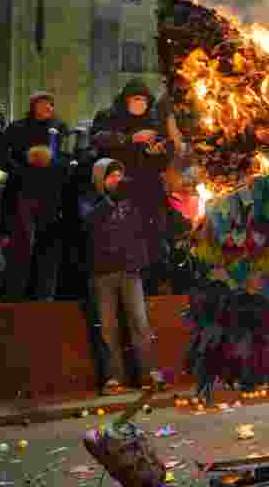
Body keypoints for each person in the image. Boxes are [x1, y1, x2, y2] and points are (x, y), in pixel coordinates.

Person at [81, 158, 164, 395]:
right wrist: (110, 201)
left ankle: (149, 375)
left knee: (140, 321)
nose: (117, 180)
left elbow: (146, 224)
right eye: (111, 176)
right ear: (100, 179)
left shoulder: (132, 199)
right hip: (101, 273)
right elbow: (88, 222)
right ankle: (113, 378)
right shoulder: (89, 199)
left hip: (130, 270)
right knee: (107, 327)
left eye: (120, 175)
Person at [91, 80, 175, 298]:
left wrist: (158, 153)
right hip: (120, 189)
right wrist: (129, 139)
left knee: (154, 239)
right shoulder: (110, 116)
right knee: (124, 241)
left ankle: (154, 288)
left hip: (149, 189)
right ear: (125, 100)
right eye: (135, 99)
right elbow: (98, 139)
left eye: (144, 99)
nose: (140, 103)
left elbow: (166, 154)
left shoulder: (154, 121)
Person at [0, 91, 69, 301]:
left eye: (51, 105)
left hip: (51, 196)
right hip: (21, 194)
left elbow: (68, 158)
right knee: (21, 247)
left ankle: (44, 297)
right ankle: (15, 297)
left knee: (47, 249)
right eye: (43, 104)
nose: (48, 109)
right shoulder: (17, 128)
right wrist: (20, 166)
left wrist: (53, 163)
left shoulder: (60, 128)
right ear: (33, 106)